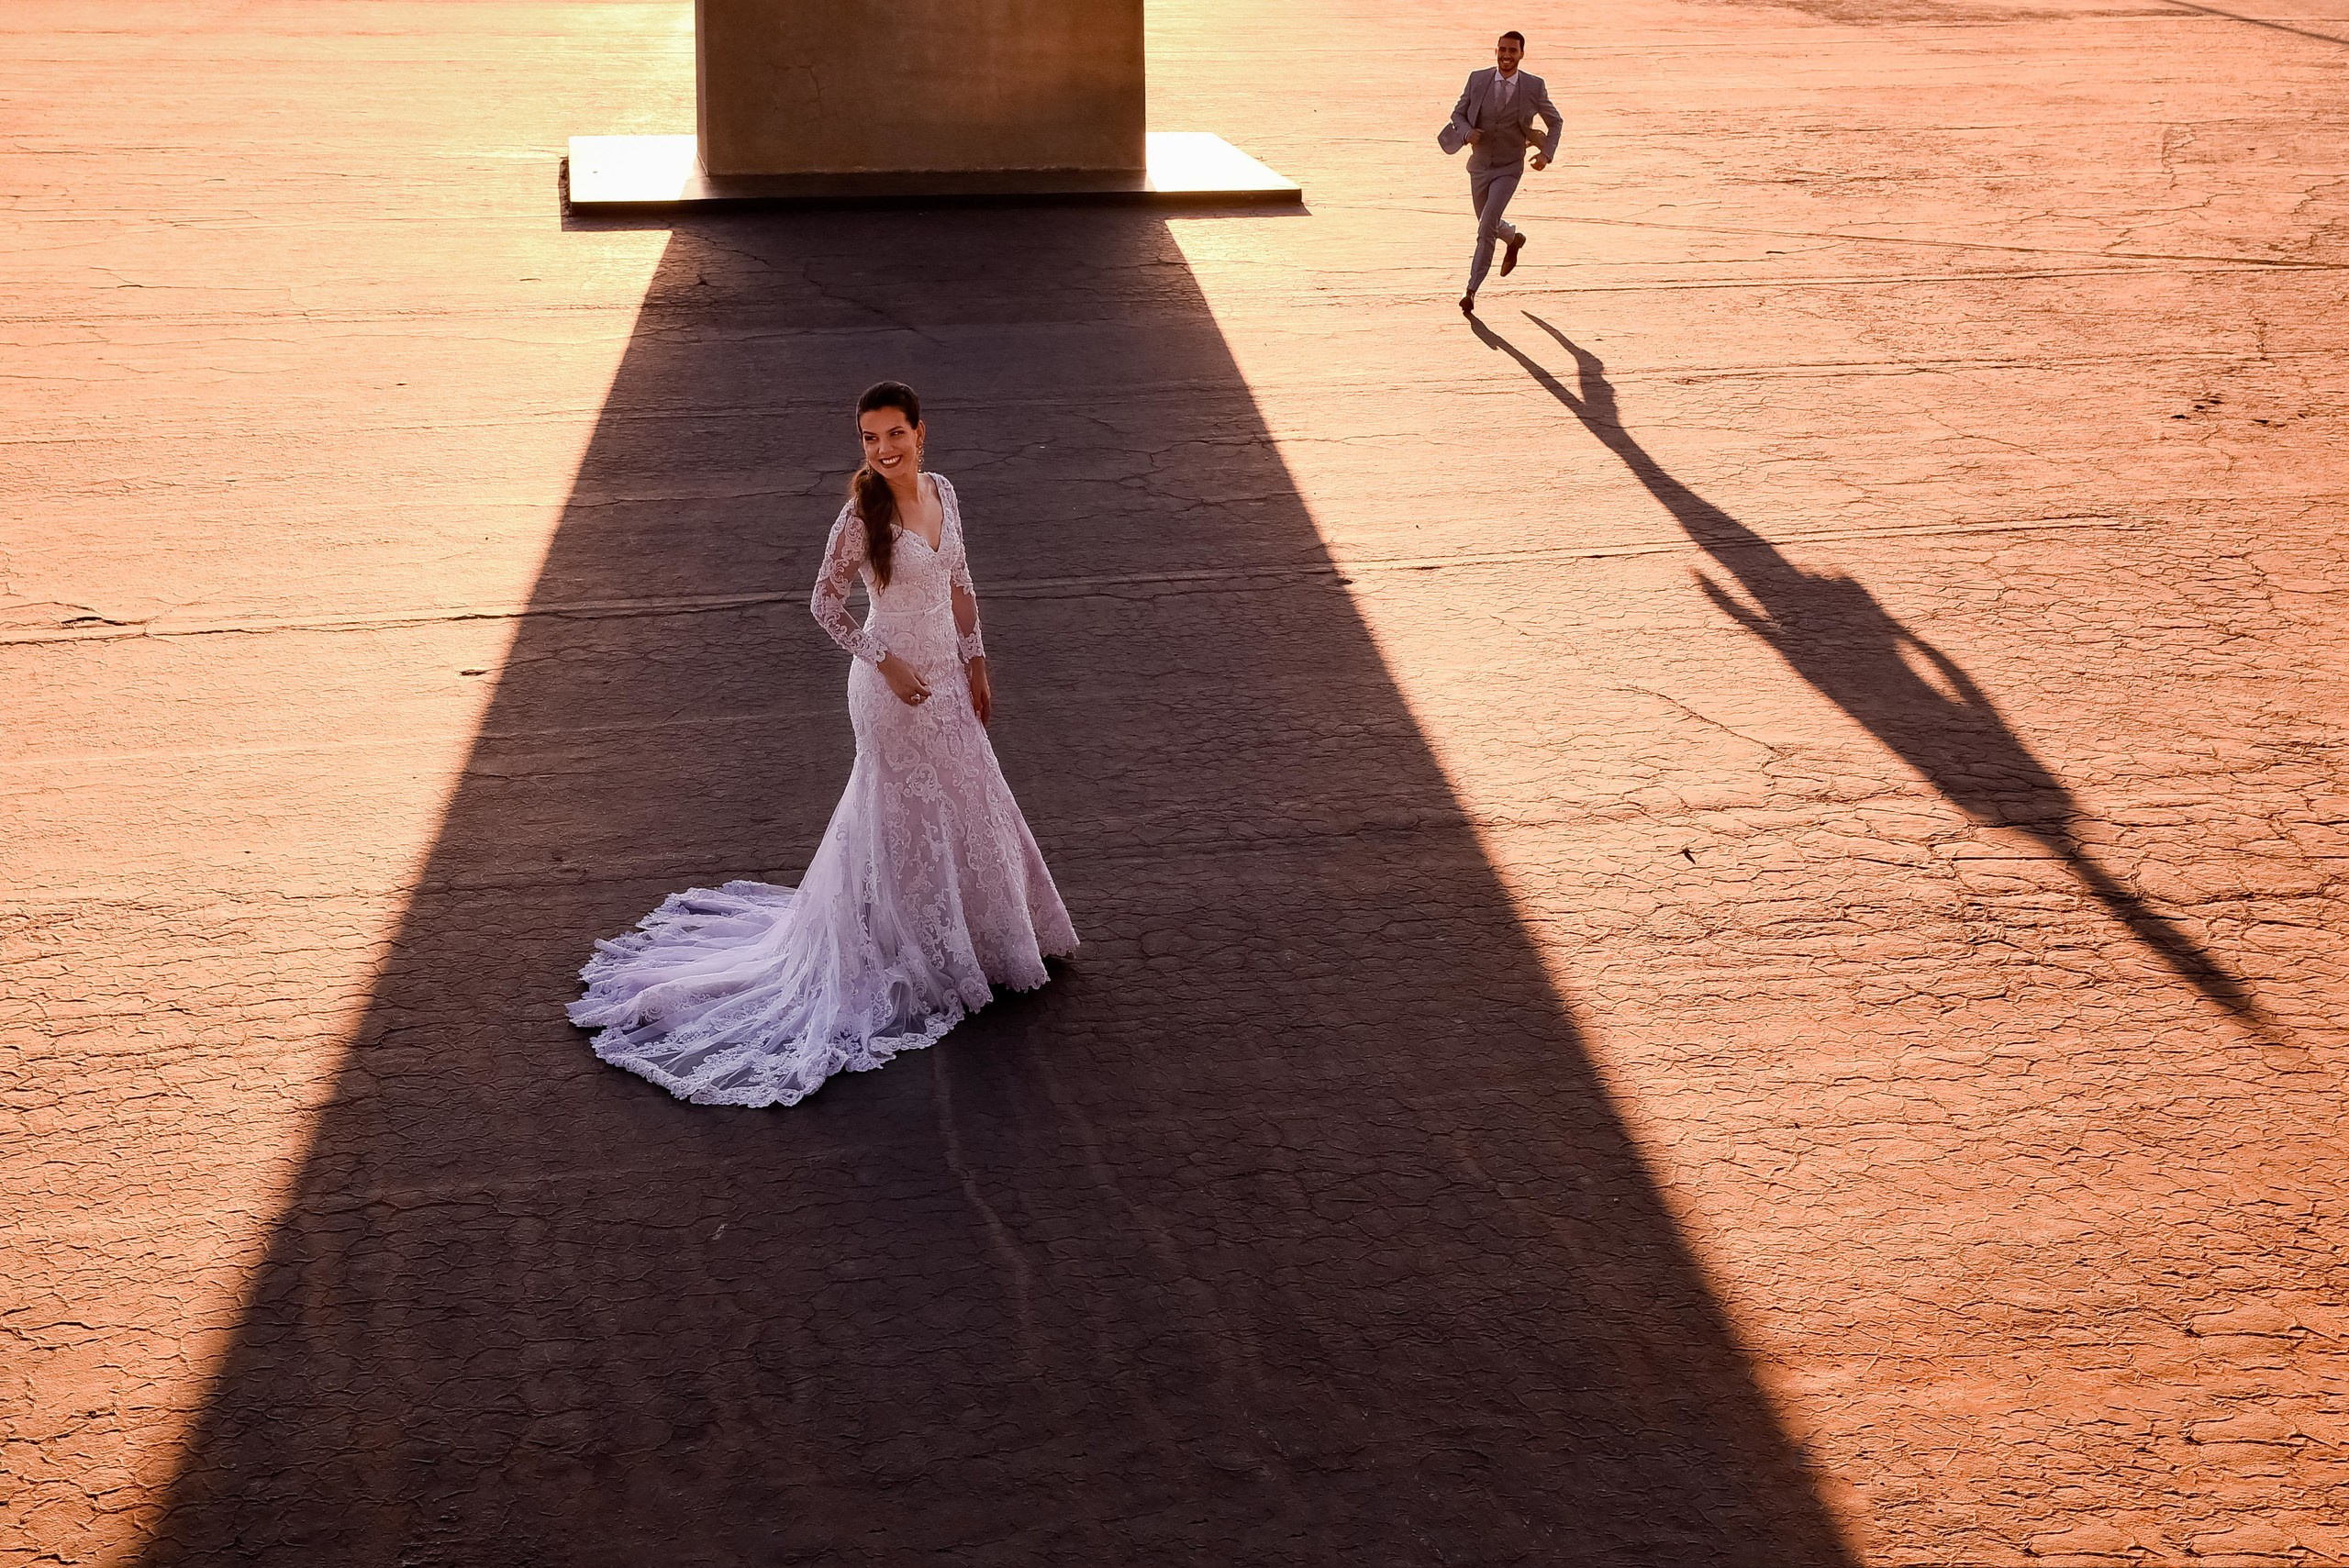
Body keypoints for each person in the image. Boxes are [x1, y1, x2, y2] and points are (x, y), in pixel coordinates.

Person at [568, 381, 1078, 1106]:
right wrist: (884, 658)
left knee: (973, 798)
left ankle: (988, 939)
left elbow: (961, 581)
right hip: (888, 689)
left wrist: (978, 660)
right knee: (901, 815)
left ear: (920, 433)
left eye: (894, 434)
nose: (883, 449)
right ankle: (914, 949)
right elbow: (824, 604)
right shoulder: (858, 515)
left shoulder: (944, 493)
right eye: (870, 438)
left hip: (947, 677)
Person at [1442, 29, 1564, 317]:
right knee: (1489, 222)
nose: (1507, 56)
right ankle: (1512, 238)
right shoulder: (1478, 79)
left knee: (1485, 228)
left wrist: (1546, 154)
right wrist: (1467, 132)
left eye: (1513, 51)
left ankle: (1471, 290)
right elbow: (1457, 115)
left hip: (1509, 167)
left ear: (1522, 54)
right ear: (1496, 51)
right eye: (1502, 50)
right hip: (1479, 167)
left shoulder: (1534, 86)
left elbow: (1555, 121)